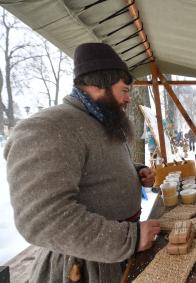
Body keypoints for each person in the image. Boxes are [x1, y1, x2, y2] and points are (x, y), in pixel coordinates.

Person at [3, 43, 161, 282]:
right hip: (84, 268)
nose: (129, 99)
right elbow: (43, 219)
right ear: (97, 85)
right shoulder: (51, 126)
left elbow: (96, 168)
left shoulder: (101, 120)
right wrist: (129, 239)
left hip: (117, 256)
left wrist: (137, 172)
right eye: (125, 90)